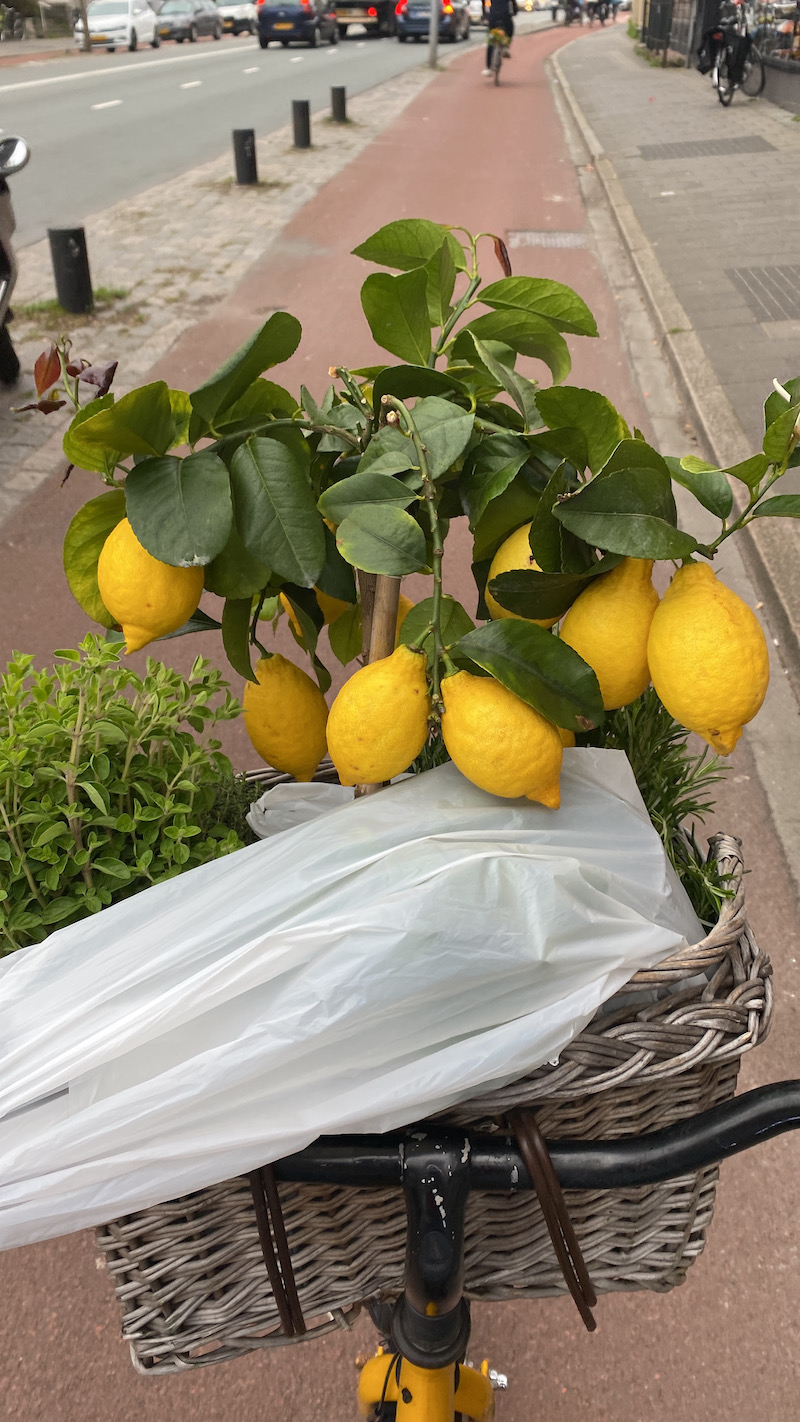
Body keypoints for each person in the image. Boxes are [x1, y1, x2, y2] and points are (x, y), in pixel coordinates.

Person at [483, 0, 516, 74]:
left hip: (493, 17)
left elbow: (484, 2)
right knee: (510, 29)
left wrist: (484, 14)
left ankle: (488, 68)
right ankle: (506, 47)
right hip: (505, 16)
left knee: (490, 40)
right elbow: (513, 3)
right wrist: (515, 12)